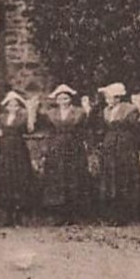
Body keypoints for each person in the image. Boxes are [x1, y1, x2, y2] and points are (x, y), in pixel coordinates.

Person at [94, 83, 140, 226]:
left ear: (118, 97)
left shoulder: (129, 109)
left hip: (124, 146)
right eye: (106, 97)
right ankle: (111, 214)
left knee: (123, 178)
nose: (108, 99)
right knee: (110, 178)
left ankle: (123, 215)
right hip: (109, 147)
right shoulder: (105, 111)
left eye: (111, 97)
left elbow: (134, 127)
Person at [39, 85, 90, 223]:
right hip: (56, 149)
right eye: (60, 98)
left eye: (66, 98)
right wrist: (46, 149)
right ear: (56, 100)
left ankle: (73, 214)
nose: (63, 101)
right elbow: (47, 132)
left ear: (70, 99)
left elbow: (84, 126)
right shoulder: (51, 113)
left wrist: (87, 109)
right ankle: (58, 214)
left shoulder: (78, 112)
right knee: (57, 179)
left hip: (73, 147)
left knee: (73, 178)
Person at [0, 91, 39, 227]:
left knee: (19, 179)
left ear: (19, 107)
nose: (13, 107)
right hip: (4, 150)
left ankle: (19, 215)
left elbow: (30, 128)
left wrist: (31, 111)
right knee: (4, 179)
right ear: (6, 106)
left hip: (18, 150)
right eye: (10, 105)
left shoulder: (22, 118)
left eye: (16, 105)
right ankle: (6, 215)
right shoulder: (1, 118)